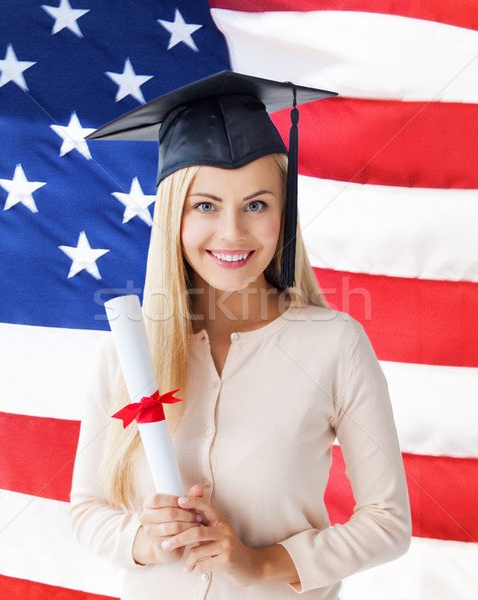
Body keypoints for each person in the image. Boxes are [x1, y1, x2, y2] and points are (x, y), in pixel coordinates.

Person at [70, 72, 411, 599]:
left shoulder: (334, 345)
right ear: (174, 219)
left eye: (256, 204)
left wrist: (263, 563)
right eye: (205, 205)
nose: (232, 232)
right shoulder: (125, 350)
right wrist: (147, 539)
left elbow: (388, 523)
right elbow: (87, 511)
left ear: (284, 213)